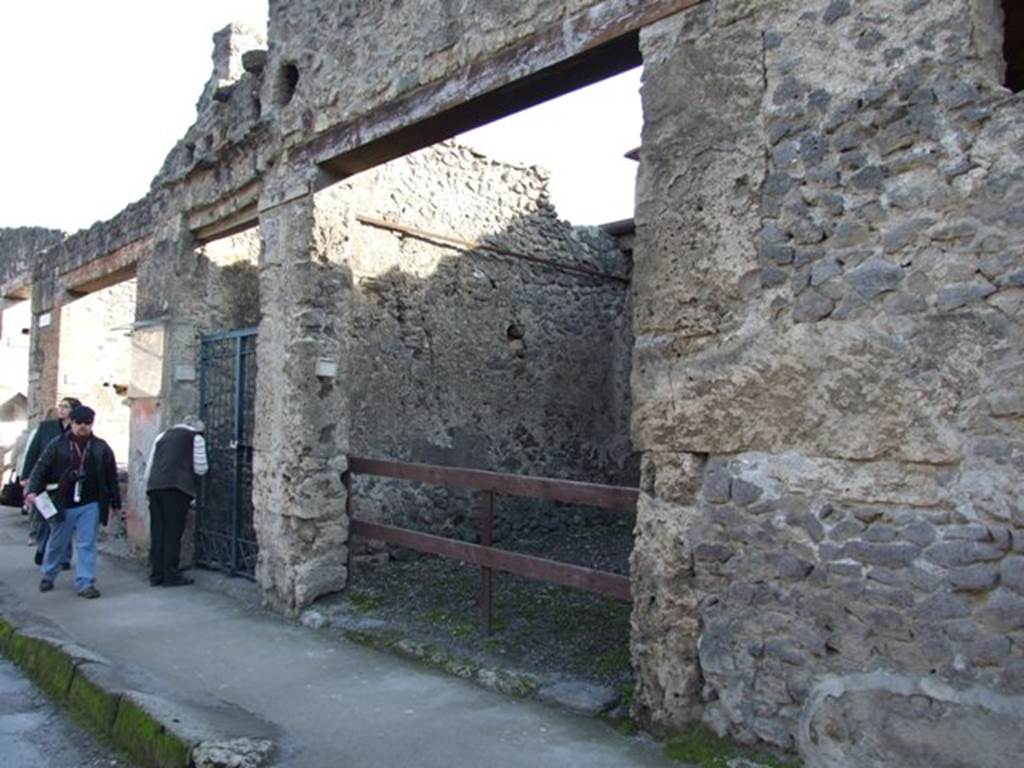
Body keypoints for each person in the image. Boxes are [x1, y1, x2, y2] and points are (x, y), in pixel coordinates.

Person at [26, 405, 121, 599]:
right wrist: (32, 490)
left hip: (91, 502)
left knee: (87, 544)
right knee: (57, 542)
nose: (83, 426)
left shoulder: (101, 447)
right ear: (71, 422)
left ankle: (85, 583)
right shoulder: (57, 444)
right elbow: (41, 467)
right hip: (62, 501)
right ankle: (49, 573)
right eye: (79, 422)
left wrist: (115, 502)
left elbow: (111, 476)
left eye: (88, 422)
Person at [145, 416, 208, 586]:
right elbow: (201, 468)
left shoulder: (162, 436)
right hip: (177, 488)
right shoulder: (196, 437)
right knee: (173, 532)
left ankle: (156, 574)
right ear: (198, 428)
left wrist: (149, 486)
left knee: (158, 531)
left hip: (155, 487)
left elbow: (150, 465)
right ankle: (171, 574)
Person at [22, 398, 81, 556]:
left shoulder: (78, 429)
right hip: (44, 481)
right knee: (45, 517)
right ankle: (42, 548)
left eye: (65, 407)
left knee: (64, 520)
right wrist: (26, 475)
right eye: (60, 406)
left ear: (74, 410)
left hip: (67, 483)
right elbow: (33, 452)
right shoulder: (46, 427)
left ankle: (64, 556)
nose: (61, 409)